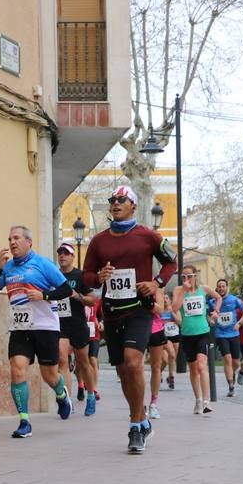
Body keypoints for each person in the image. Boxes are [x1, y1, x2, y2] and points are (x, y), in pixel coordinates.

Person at [81, 185, 178, 454]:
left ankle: (135, 427)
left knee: (134, 361)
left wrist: (156, 282)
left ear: (133, 205)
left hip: (140, 310)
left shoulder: (148, 236)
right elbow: (86, 276)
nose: (115, 203)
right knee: (124, 371)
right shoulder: (99, 241)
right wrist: (98, 278)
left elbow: (172, 262)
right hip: (112, 312)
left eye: (121, 200)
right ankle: (142, 416)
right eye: (112, 200)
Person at [0, 226, 75, 438]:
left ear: (28, 242)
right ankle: (24, 421)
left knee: (50, 375)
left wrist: (43, 296)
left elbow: (66, 290)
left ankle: (61, 394)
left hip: (45, 327)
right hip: (20, 327)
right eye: (9, 239)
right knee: (17, 369)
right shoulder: (8, 268)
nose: (12, 242)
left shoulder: (42, 263)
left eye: (16, 238)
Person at [53, 240, 99, 417]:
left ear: (73, 256)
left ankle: (91, 395)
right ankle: (67, 400)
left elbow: (92, 299)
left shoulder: (80, 276)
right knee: (62, 359)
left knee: (83, 362)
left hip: (78, 323)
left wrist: (76, 295)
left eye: (66, 252)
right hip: (60, 323)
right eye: (59, 252)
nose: (62, 255)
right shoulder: (54, 275)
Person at [171, 265, 223, 415]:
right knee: (193, 369)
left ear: (195, 276)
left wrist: (216, 311)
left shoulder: (204, 289)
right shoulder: (178, 290)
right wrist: (183, 290)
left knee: (201, 366)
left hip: (203, 332)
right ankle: (198, 400)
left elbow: (218, 297)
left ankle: (206, 402)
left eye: (189, 276)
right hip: (187, 335)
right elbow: (174, 308)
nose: (186, 279)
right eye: (183, 277)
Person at [209, 278, 243, 398]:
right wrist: (210, 320)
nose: (221, 288)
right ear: (217, 288)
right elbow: (208, 315)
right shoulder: (212, 302)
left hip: (234, 334)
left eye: (223, 286)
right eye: (219, 286)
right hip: (221, 334)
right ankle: (231, 385)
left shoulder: (234, 299)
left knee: (236, 362)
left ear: (227, 287)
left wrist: (239, 323)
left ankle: (232, 374)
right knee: (227, 358)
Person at [147, 291, 180, 418]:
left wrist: (146, 302)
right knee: (133, 367)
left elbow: (160, 309)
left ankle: (153, 404)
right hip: (137, 328)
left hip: (157, 330)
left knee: (163, 361)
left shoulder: (157, 290)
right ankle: (136, 404)